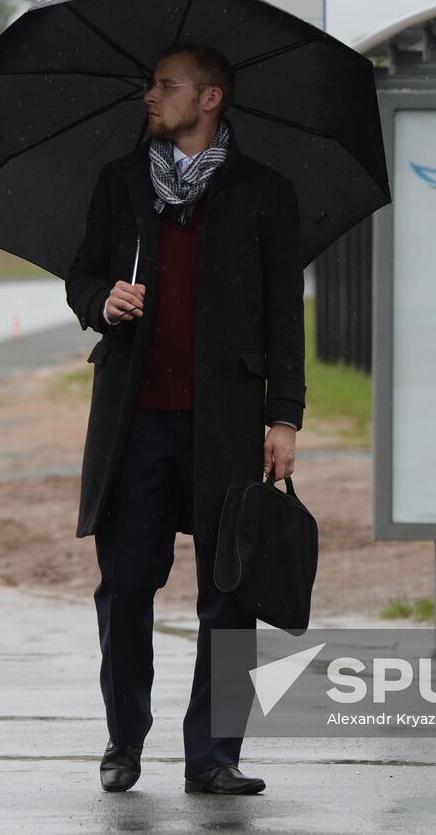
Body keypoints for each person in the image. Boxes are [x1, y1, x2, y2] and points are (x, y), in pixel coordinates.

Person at [65, 43, 305, 796]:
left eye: (166, 86)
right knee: (126, 586)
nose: (151, 96)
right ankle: (123, 739)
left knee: (231, 594)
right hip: (134, 426)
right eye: (152, 84)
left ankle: (215, 753)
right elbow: (80, 276)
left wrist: (285, 419)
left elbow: (283, 324)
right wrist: (104, 299)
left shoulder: (266, 193)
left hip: (227, 425)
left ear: (209, 98)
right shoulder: (121, 183)